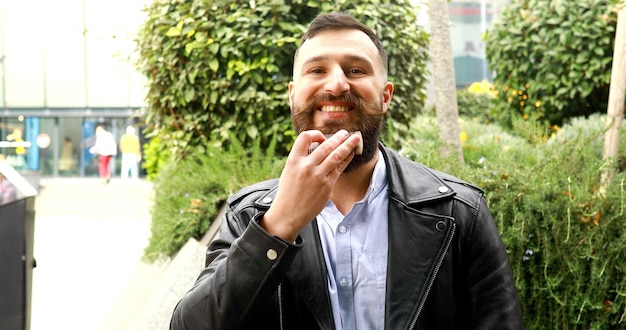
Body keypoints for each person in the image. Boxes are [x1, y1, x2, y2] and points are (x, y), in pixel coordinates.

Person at [170, 12, 523, 329]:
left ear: (385, 96)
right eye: (317, 70)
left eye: (355, 70)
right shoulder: (248, 216)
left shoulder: (460, 212)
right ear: (294, 95)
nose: (337, 84)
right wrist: (276, 228)